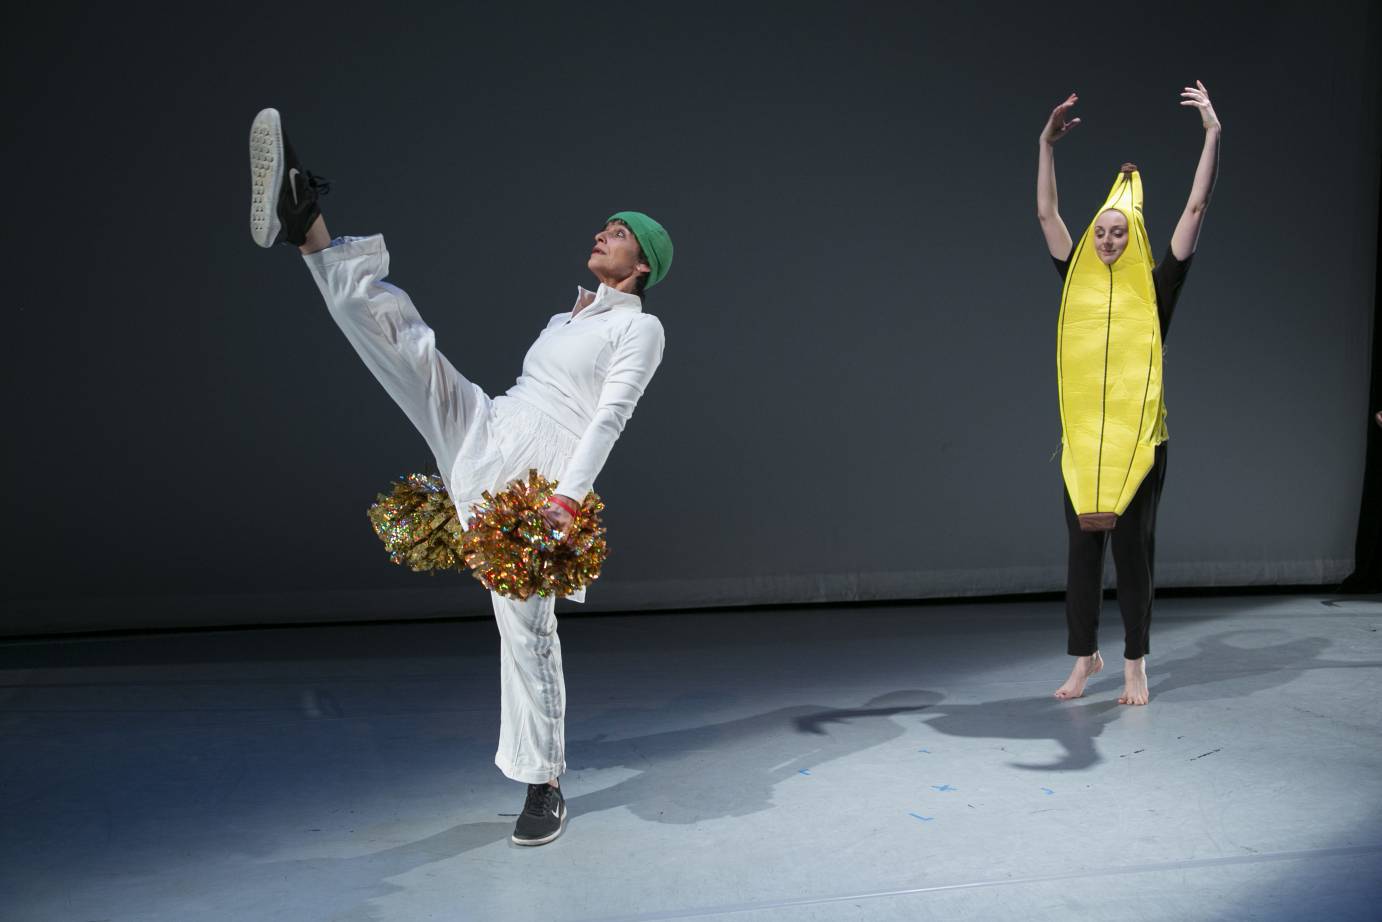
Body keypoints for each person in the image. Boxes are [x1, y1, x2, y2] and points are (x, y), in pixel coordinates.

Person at [249, 108, 671, 845]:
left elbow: (610, 418)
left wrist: (568, 500)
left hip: (540, 476)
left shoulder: (638, 327)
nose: (603, 234)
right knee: (409, 352)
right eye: (605, 226)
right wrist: (477, 462)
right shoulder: (564, 319)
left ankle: (543, 784)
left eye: (620, 233)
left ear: (641, 267)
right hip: (492, 426)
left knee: (527, 631)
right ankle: (307, 224)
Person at [1035, 83, 1221, 706]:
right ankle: (1083, 657)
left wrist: (1212, 134)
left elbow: (1194, 209)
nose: (1108, 240)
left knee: (1133, 555)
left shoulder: (1156, 288)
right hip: (1086, 442)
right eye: (1101, 232)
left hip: (1140, 442)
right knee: (1082, 554)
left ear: (1133, 236)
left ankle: (1135, 662)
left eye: (1118, 232)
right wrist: (1045, 146)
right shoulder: (1077, 283)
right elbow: (1047, 216)